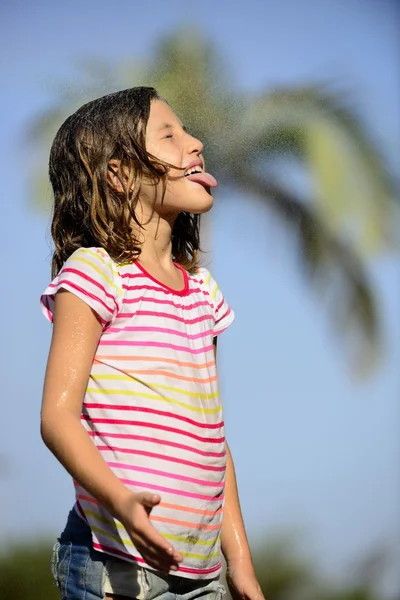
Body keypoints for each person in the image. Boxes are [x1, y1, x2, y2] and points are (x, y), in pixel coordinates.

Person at [40, 87, 264, 600]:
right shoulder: (96, 274)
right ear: (119, 175)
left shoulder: (203, 292)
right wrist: (121, 501)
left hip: (202, 574)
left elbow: (212, 434)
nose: (195, 142)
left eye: (186, 131)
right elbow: (57, 417)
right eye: (170, 135)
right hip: (114, 563)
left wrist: (241, 563)